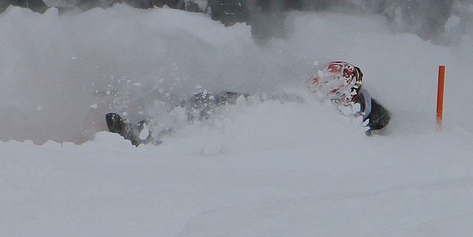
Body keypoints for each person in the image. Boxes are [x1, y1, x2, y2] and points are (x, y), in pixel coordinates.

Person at [105, 60, 390, 145]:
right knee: (206, 102)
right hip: (261, 106)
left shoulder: (346, 123)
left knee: (206, 121)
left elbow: (375, 120)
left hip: (258, 124)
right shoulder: (351, 105)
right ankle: (146, 127)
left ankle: (146, 139)